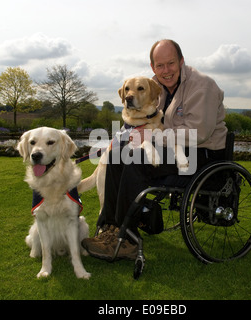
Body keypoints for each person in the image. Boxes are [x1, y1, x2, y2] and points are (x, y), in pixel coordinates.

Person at [81, 39, 228, 261]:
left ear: (181, 61)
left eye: (170, 63)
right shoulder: (154, 86)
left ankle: (127, 239)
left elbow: (200, 133)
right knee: (116, 154)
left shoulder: (202, 86)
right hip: (167, 148)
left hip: (201, 154)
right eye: (160, 66)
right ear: (153, 67)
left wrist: (152, 137)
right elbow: (143, 119)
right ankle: (110, 228)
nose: (165, 70)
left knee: (134, 159)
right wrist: (123, 138)